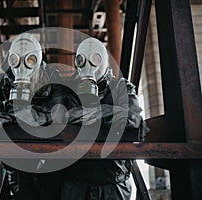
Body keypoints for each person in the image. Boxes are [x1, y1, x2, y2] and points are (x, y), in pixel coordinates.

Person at [0, 33, 76, 200]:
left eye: (30, 60)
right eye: (15, 60)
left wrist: (12, 113)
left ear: (39, 62)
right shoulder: (0, 83)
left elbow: (57, 116)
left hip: (51, 167)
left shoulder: (55, 84)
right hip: (17, 166)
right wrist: (3, 107)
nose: (22, 67)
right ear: (10, 60)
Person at [61, 37, 148, 200]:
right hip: (76, 183)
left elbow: (133, 118)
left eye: (94, 59)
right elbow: (57, 116)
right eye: (81, 60)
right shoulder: (66, 91)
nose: (88, 65)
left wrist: (85, 112)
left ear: (103, 60)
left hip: (112, 184)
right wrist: (108, 114)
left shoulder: (121, 88)